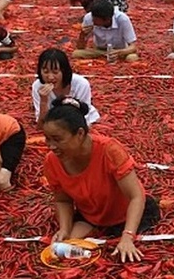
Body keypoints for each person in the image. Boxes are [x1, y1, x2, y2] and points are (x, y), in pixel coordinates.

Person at [41, 99, 158, 263]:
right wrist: (64, 229)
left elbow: (136, 196)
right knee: (65, 247)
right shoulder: (52, 161)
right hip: (90, 215)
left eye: (57, 139)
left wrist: (128, 236)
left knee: (121, 258)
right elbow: (63, 200)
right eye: (47, 139)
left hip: (126, 216)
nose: (51, 146)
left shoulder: (109, 150)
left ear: (80, 134)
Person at [31, 48, 99, 126]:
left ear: (64, 71)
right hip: (55, 124)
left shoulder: (81, 84)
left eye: (55, 72)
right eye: (45, 72)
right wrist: (43, 101)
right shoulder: (38, 86)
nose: (50, 77)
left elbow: (84, 118)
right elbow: (41, 124)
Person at [74, 0, 139, 63]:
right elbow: (80, 47)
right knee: (76, 53)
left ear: (107, 19)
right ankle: (105, 56)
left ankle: (110, 56)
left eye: (96, 19)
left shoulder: (122, 19)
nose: (93, 21)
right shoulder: (88, 18)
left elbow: (133, 46)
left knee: (132, 58)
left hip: (119, 50)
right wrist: (82, 35)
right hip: (99, 50)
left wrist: (119, 52)